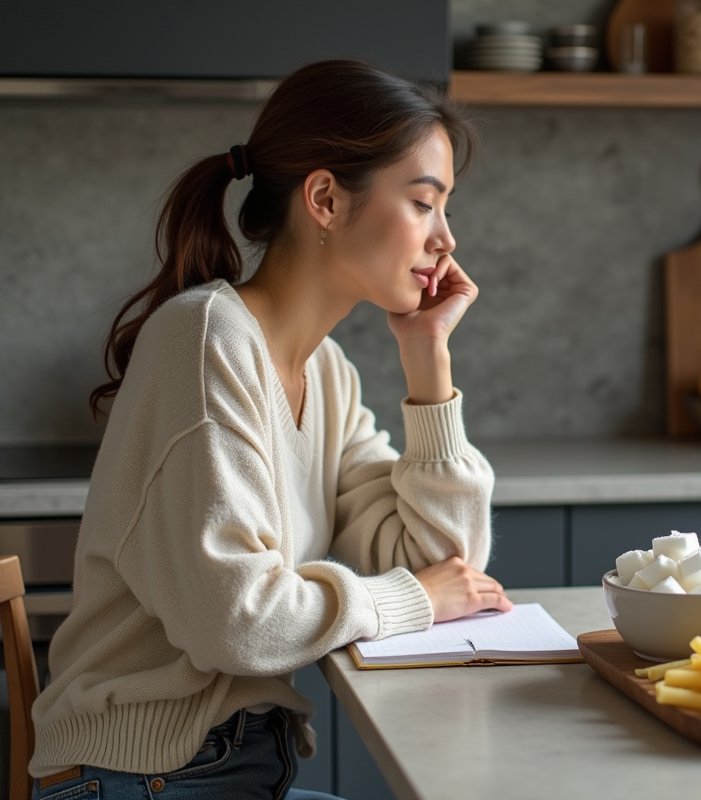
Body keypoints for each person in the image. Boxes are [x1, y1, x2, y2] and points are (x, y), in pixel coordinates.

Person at [29, 60, 512, 800]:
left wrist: (427, 357)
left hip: (227, 767)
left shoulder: (327, 371)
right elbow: (235, 622)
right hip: (141, 775)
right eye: (424, 203)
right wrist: (413, 598)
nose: (446, 239)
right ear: (324, 198)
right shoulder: (205, 341)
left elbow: (447, 562)